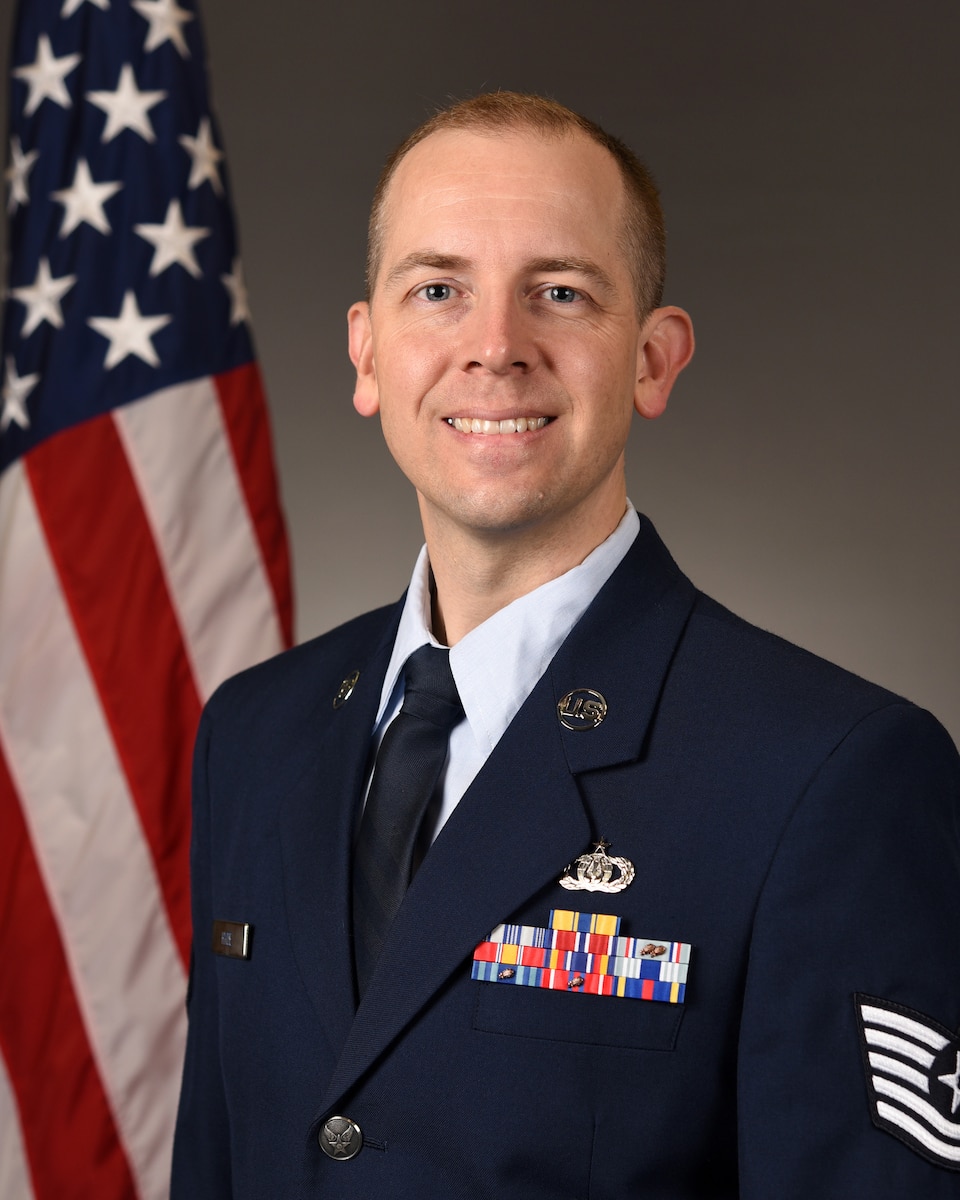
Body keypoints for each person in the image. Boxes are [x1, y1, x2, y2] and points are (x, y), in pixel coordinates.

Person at [171, 93, 960, 1198]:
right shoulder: (254, 734)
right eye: (437, 290)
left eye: (559, 293)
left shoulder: (830, 775)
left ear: (652, 358)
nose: (494, 348)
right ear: (367, 353)